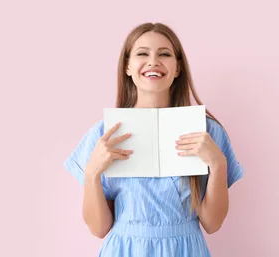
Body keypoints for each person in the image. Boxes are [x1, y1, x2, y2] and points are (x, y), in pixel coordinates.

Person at [64, 22, 244, 257]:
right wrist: (92, 174)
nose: (153, 61)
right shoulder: (103, 135)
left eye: (164, 54)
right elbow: (98, 229)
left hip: (186, 250)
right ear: (127, 66)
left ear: (178, 67)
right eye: (142, 53)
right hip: (125, 250)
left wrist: (218, 166)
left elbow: (212, 224)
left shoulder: (206, 132)